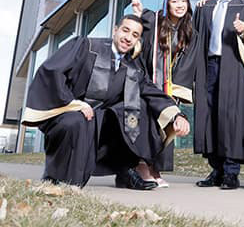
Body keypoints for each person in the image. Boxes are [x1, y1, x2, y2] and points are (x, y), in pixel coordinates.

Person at [21, 14, 190, 189]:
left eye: (134, 35)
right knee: (76, 121)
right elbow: (51, 71)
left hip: (100, 124)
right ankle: (57, 176)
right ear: (115, 30)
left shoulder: (133, 69)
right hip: (69, 114)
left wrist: (177, 116)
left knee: (137, 109)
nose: (128, 37)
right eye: (125, 30)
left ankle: (126, 171)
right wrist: (74, 104)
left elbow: (152, 93)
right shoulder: (86, 46)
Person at [194, 0, 244, 190]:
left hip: (232, 66)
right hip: (209, 65)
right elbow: (193, 35)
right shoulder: (206, 7)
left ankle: (231, 172)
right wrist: (198, 6)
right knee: (210, 115)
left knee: (231, 117)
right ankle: (217, 169)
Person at [128, 0, 198, 187]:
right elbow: (143, 24)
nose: (179, 5)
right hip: (151, 82)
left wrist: (178, 88)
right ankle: (142, 165)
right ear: (167, 4)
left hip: (170, 85)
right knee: (149, 125)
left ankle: (155, 168)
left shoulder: (189, 30)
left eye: (183, 1)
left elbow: (188, 61)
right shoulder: (157, 20)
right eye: (174, 1)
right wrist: (139, 10)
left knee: (165, 128)